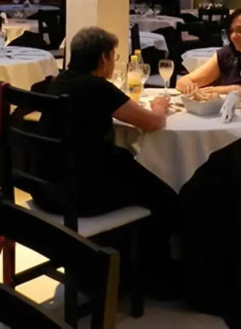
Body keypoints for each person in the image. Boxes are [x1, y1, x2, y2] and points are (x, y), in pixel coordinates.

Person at [32, 27, 179, 292]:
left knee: (135, 177)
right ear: (103, 58)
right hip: (75, 196)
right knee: (165, 197)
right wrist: (160, 106)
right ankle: (152, 276)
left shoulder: (60, 81)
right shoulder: (97, 87)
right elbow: (153, 123)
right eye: (114, 56)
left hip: (45, 186)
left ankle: (116, 261)